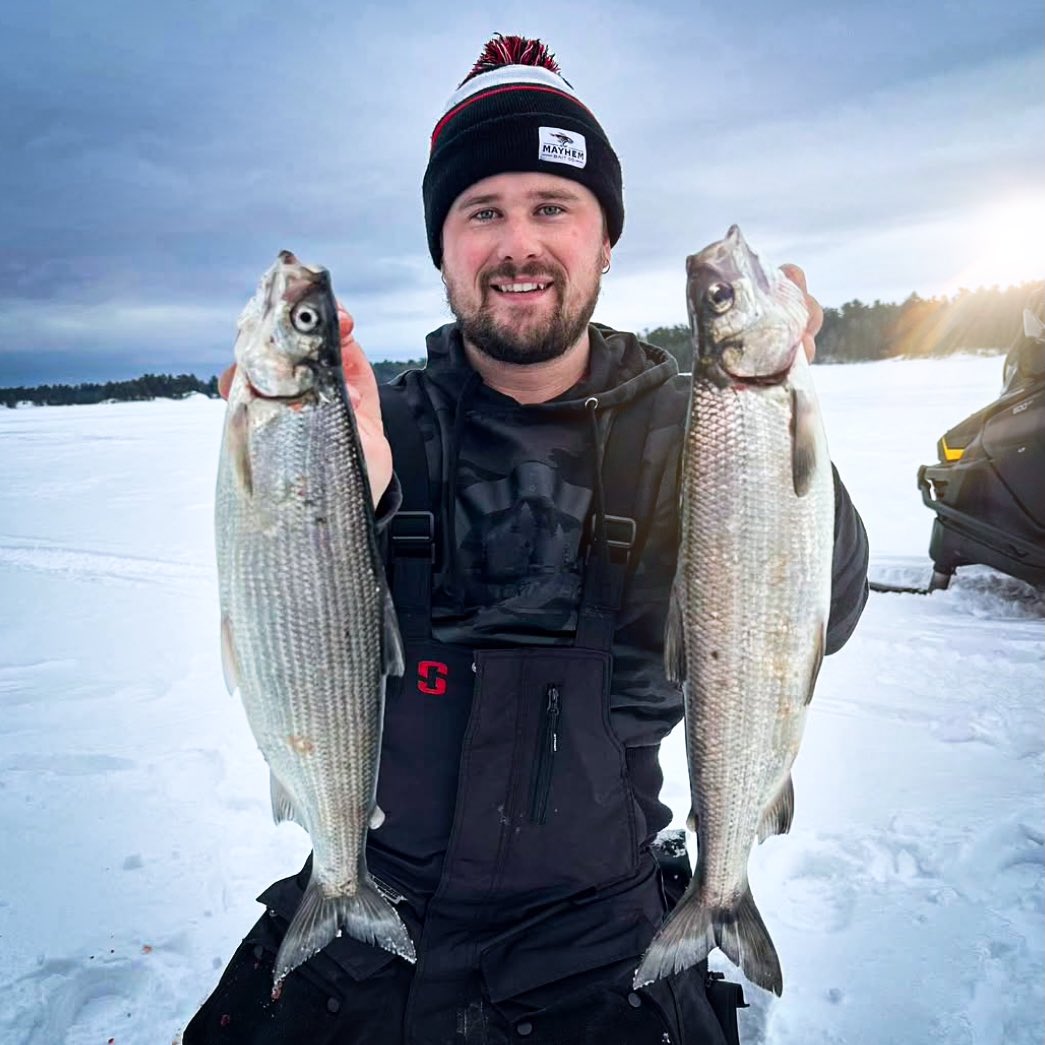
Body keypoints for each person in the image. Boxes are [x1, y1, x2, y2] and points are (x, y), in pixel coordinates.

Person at [185, 33, 869, 1045]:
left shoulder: (694, 427)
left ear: (604, 239)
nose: (518, 245)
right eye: (482, 212)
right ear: (442, 245)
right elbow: (289, 618)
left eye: (552, 207)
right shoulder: (369, 426)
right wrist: (328, 485)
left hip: (602, 941)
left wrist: (772, 442)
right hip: (371, 927)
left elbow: (826, 610)